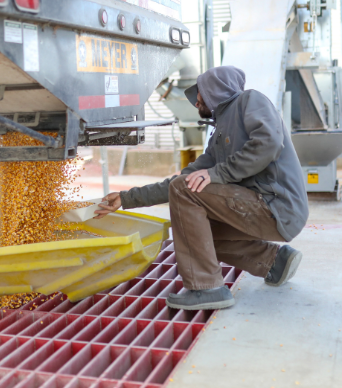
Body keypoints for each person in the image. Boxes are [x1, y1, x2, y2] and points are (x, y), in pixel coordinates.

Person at [95, 66, 308, 311]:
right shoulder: (218, 138)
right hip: (260, 208)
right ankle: (274, 262)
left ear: (215, 90)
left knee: (183, 191)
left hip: (277, 205)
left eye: (200, 93)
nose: (196, 101)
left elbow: (268, 143)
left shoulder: (250, 101)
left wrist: (218, 173)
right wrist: (126, 198)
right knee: (194, 235)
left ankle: (206, 288)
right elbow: (180, 182)